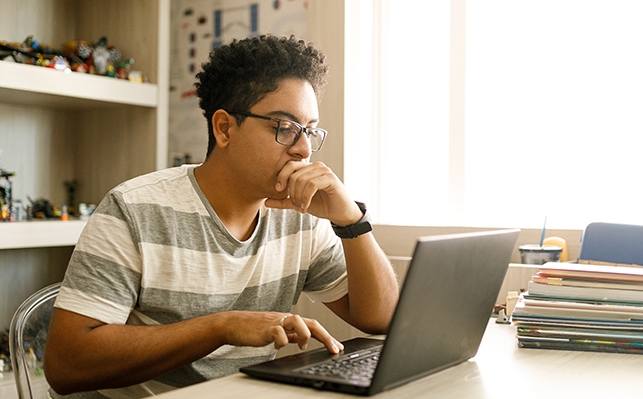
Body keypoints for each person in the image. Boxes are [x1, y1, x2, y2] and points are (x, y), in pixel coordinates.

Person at [44, 34, 399, 398]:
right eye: (284, 127)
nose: (304, 148)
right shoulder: (134, 209)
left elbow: (381, 318)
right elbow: (66, 366)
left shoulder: (300, 216)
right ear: (225, 128)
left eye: (308, 130)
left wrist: (350, 220)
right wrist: (222, 327)